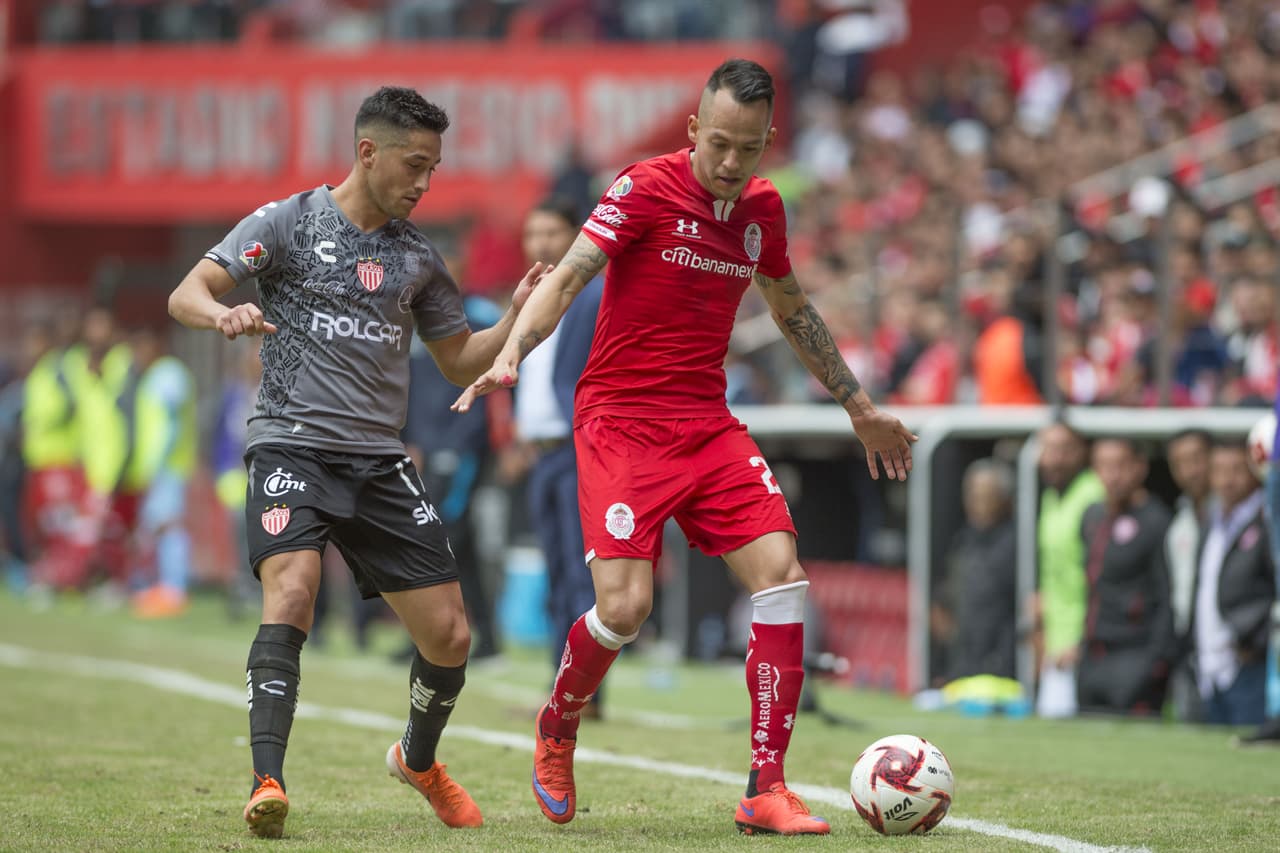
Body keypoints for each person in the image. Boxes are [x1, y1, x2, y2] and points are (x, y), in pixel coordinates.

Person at [453, 58, 915, 835]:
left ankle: (764, 786)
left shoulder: (764, 208)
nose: (732, 165)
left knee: (781, 577)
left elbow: (792, 307)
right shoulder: (642, 189)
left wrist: (859, 404)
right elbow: (567, 277)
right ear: (695, 130)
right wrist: (514, 351)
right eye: (720, 145)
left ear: (770, 143)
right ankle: (559, 723)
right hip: (621, 421)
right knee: (626, 610)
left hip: (705, 420)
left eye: (750, 148)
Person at [167, 85, 547, 839]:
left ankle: (417, 758)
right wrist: (224, 312)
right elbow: (189, 291)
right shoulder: (289, 222)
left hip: (378, 462)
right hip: (290, 443)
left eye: (434, 169)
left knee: (450, 637)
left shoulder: (417, 257)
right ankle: (267, 778)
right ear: (367, 152)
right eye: (414, 165)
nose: (424, 183)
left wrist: (512, 322)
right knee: (295, 589)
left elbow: (456, 359)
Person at [511, 197, 605, 714]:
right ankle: (560, 689)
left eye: (551, 232)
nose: (541, 243)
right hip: (541, 453)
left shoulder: (587, 299)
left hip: (576, 451)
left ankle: (584, 694)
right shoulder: (528, 300)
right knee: (554, 572)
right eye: (532, 234)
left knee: (577, 572)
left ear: (574, 237)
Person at [1076, 438, 1174, 716]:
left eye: (1120, 466)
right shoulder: (1092, 516)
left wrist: (1155, 662)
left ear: (1139, 468)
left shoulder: (1156, 520)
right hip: (1093, 654)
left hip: (1135, 653)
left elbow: (1168, 595)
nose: (1112, 475)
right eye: (1103, 466)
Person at [1189, 439, 1274, 727]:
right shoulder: (1210, 521)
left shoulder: (1268, 521)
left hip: (1250, 663)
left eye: (1237, 469)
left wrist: (1256, 640)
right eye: (1219, 470)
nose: (1227, 479)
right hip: (1210, 665)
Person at [1032, 420, 1104, 718]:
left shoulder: (1092, 497)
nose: (1054, 458)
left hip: (1082, 642)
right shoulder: (1052, 496)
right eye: (1048, 449)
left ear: (1081, 453)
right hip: (1055, 639)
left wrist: (1080, 640)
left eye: (1063, 450)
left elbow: (1100, 577)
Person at [125, 326, 198, 618]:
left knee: (169, 526)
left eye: (142, 349)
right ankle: (163, 586)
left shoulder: (168, 374)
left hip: (169, 466)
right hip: (160, 466)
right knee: (158, 526)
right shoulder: (156, 376)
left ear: (156, 347)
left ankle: (174, 590)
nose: (137, 356)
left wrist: (158, 461)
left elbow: (170, 423)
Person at [932, 458, 1018, 684]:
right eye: (971, 495)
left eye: (985, 496)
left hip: (1001, 660)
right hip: (962, 657)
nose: (975, 503)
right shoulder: (964, 539)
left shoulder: (1015, 543)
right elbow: (948, 588)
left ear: (1003, 499)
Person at [1165, 428, 1213, 721]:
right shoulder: (1178, 523)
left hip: (1231, 651)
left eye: (1197, 459)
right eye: (1180, 463)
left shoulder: (1236, 517)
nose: (1190, 471)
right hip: (1188, 649)